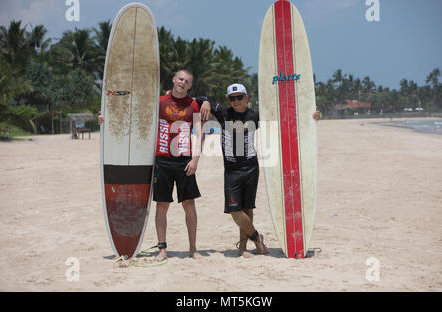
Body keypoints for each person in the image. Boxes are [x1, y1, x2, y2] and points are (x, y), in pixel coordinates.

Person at [198, 84, 319, 258]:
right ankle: (256, 238)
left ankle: (242, 248)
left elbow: (287, 114)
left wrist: (311, 115)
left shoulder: (254, 115)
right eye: (232, 98)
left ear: (247, 98)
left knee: (247, 209)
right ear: (228, 100)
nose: (236, 101)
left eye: (240, 97)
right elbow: (200, 99)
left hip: (250, 168)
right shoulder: (224, 112)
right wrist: (206, 103)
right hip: (231, 170)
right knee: (234, 210)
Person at [99, 69, 206, 261]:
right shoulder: (158, 102)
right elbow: (134, 118)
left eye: (187, 81)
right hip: (162, 160)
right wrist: (106, 118)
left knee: (189, 204)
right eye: (180, 79)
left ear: (190, 85)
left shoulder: (194, 105)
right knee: (162, 204)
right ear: (173, 80)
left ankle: (193, 248)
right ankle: (162, 249)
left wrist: (195, 159)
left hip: (184, 160)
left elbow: (200, 133)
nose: (183, 82)